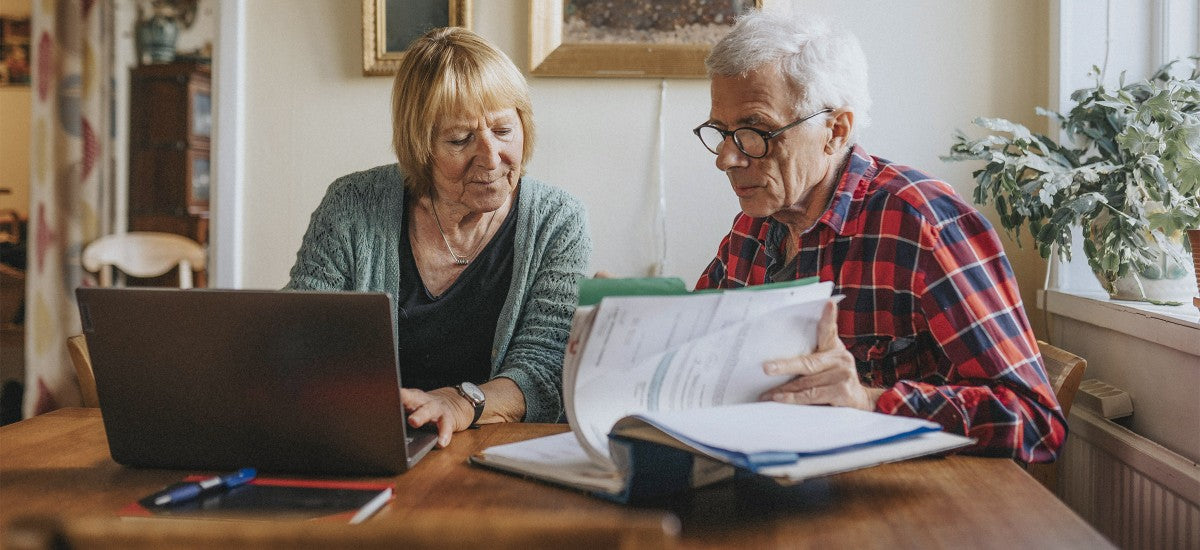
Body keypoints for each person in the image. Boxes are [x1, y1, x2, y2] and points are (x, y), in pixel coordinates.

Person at [691, 10, 1065, 463]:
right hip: (784, 480)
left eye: (755, 131)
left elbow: (1034, 418)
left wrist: (869, 401)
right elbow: (698, 353)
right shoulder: (753, 226)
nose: (727, 158)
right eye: (722, 132)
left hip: (911, 506)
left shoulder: (922, 225)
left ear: (836, 130)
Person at [286, 28, 591, 448]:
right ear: (419, 146)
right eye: (460, 139)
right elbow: (299, 336)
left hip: (502, 448)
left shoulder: (557, 220)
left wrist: (460, 402)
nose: (490, 157)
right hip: (371, 442)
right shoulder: (352, 205)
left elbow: (543, 367)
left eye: (503, 131)